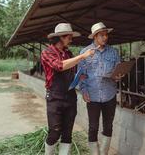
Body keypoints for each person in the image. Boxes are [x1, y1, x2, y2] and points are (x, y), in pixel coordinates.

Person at [41, 23, 96, 155]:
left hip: (70, 96)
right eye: (69, 37)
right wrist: (82, 56)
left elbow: (71, 69)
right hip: (55, 97)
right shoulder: (47, 52)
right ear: (61, 37)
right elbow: (59, 66)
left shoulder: (68, 53)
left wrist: (79, 76)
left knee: (67, 132)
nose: (71, 39)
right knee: (54, 131)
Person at [79, 22, 121, 155]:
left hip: (110, 94)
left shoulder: (114, 52)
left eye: (106, 35)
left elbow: (118, 70)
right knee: (93, 127)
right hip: (92, 95)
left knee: (108, 126)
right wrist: (84, 91)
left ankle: (104, 153)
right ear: (95, 37)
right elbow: (82, 75)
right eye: (102, 35)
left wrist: (118, 76)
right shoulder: (84, 52)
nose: (105, 37)